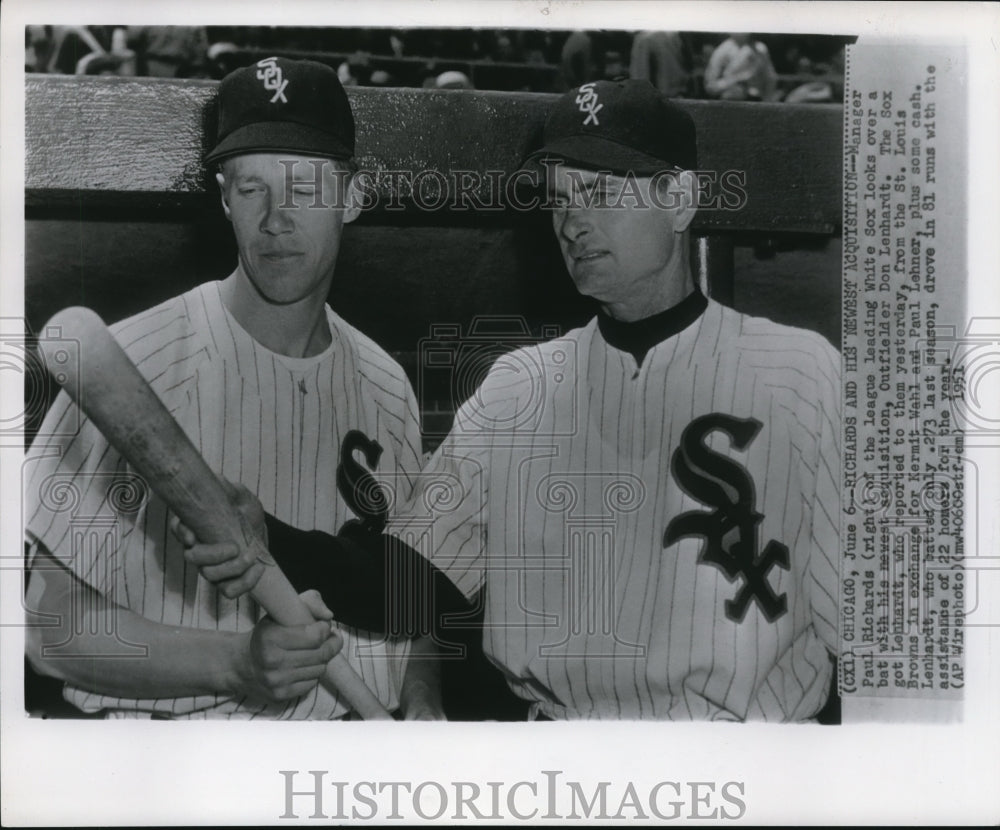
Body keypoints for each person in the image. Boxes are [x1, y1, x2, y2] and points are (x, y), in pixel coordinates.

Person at [181, 79, 841, 721]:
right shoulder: (518, 389)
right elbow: (407, 588)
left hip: (748, 768)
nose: (573, 222)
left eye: (602, 192)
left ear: (679, 199)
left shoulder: (801, 371)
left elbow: (881, 635)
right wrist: (265, 533)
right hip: (560, 761)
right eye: (559, 198)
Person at [24, 57, 441, 720]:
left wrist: (422, 696)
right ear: (224, 198)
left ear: (353, 196)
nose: (276, 217)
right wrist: (235, 663)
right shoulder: (136, 359)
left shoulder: (388, 385)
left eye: (304, 186)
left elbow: (414, 594)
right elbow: (50, 629)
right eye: (252, 187)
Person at [703, 33, 779, 102]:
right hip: (729, 99)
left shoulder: (761, 48)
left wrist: (766, 102)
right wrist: (734, 82)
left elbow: (770, 78)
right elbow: (710, 87)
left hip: (755, 98)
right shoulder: (722, 50)